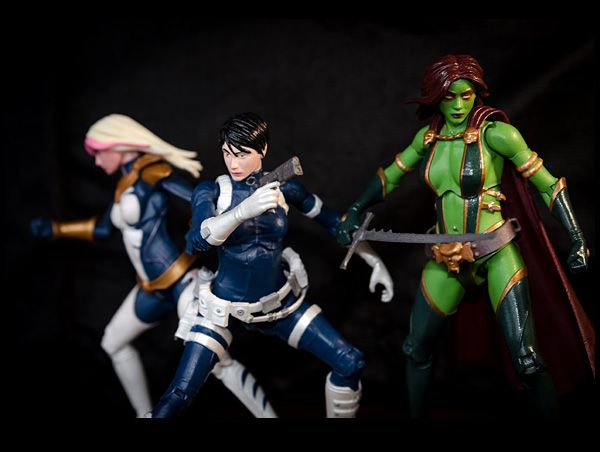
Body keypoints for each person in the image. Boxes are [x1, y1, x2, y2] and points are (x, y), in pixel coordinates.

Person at [336, 54, 593, 417]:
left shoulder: (496, 134)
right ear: (435, 97)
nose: (458, 105)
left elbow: (548, 185)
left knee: (528, 360)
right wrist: (355, 209)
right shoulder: (429, 138)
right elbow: (390, 177)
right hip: (446, 259)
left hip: (495, 253)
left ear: (477, 94)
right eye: (448, 97)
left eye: (466, 96)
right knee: (415, 349)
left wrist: (578, 238)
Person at [31, 114, 276, 418]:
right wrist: (57, 230)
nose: (96, 161)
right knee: (113, 343)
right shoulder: (125, 185)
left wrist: (223, 217)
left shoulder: (153, 173)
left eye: (98, 152)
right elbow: (103, 229)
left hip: (182, 282)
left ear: (117, 145)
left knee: (218, 361)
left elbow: (199, 199)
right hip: (150, 289)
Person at [151, 112, 394, 418]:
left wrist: (374, 260)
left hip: (280, 306)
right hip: (222, 310)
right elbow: (198, 241)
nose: (233, 163)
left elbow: (336, 224)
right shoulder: (212, 191)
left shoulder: (285, 189)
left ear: (262, 150)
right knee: (178, 395)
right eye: (227, 153)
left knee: (350, 362)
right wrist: (242, 212)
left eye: (242, 154)